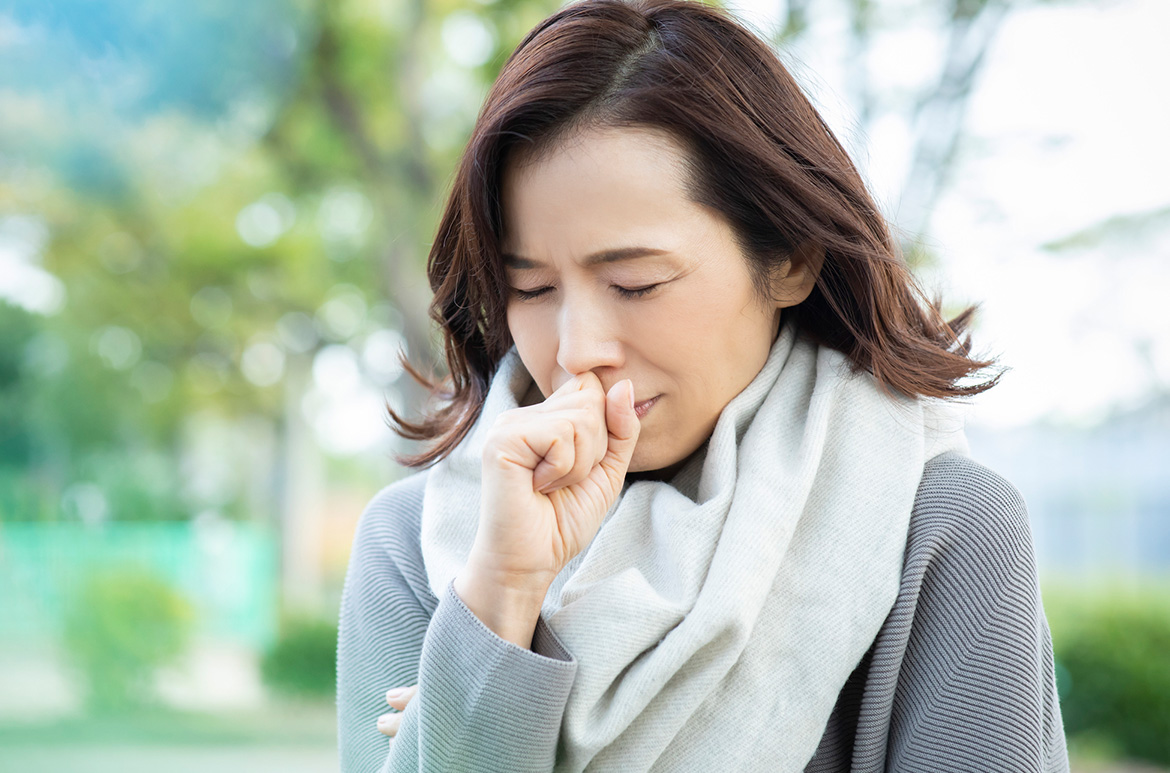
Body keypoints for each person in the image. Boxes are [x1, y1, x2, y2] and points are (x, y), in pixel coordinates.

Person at [336, 0, 1070, 770]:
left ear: (790, 257)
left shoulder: (945, 528)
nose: (579, 352)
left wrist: (459, 727)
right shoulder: (422, 542)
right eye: (532, 288)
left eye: (636, 282)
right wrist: (499, 601)